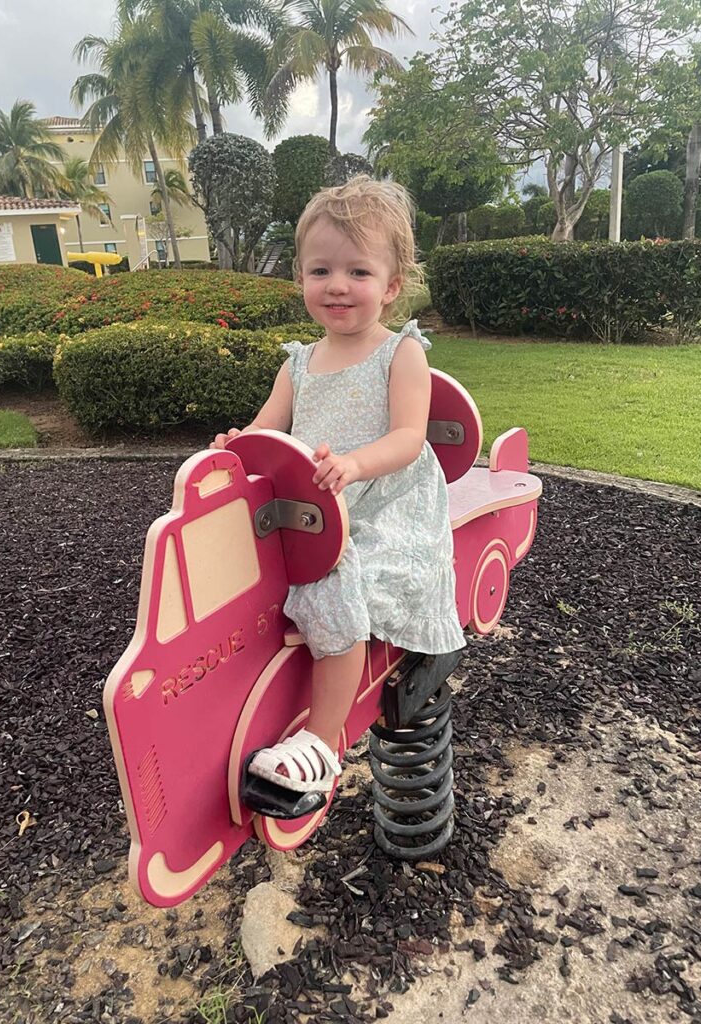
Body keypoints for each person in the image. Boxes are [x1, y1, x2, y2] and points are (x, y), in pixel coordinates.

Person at [211, 176, 465, 796]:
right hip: (319, 504)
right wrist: (234, 447)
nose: (338, 286)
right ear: (300, 278)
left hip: (386, 500)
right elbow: (267, 431)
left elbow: (409, 438)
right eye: (321, 270)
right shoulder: (298, 362)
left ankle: (324, 741)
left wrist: (353, 464)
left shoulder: (400, 353)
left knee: (338, 576)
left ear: (392, 285)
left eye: (358, 272)